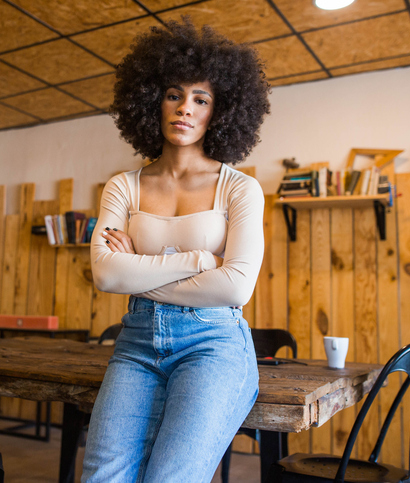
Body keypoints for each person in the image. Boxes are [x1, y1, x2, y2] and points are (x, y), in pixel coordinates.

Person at [82, 18, 271, 483]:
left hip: (213, 345)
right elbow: (105, 275)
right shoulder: (122, 187)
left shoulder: (240, 189)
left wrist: (140, 270)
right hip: (136, 343)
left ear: (220, 111)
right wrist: (199, 262)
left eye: (200, 99)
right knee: (101, 477)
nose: (185, 108)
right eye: (174, 94)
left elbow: (236, 286)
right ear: (152, 101)